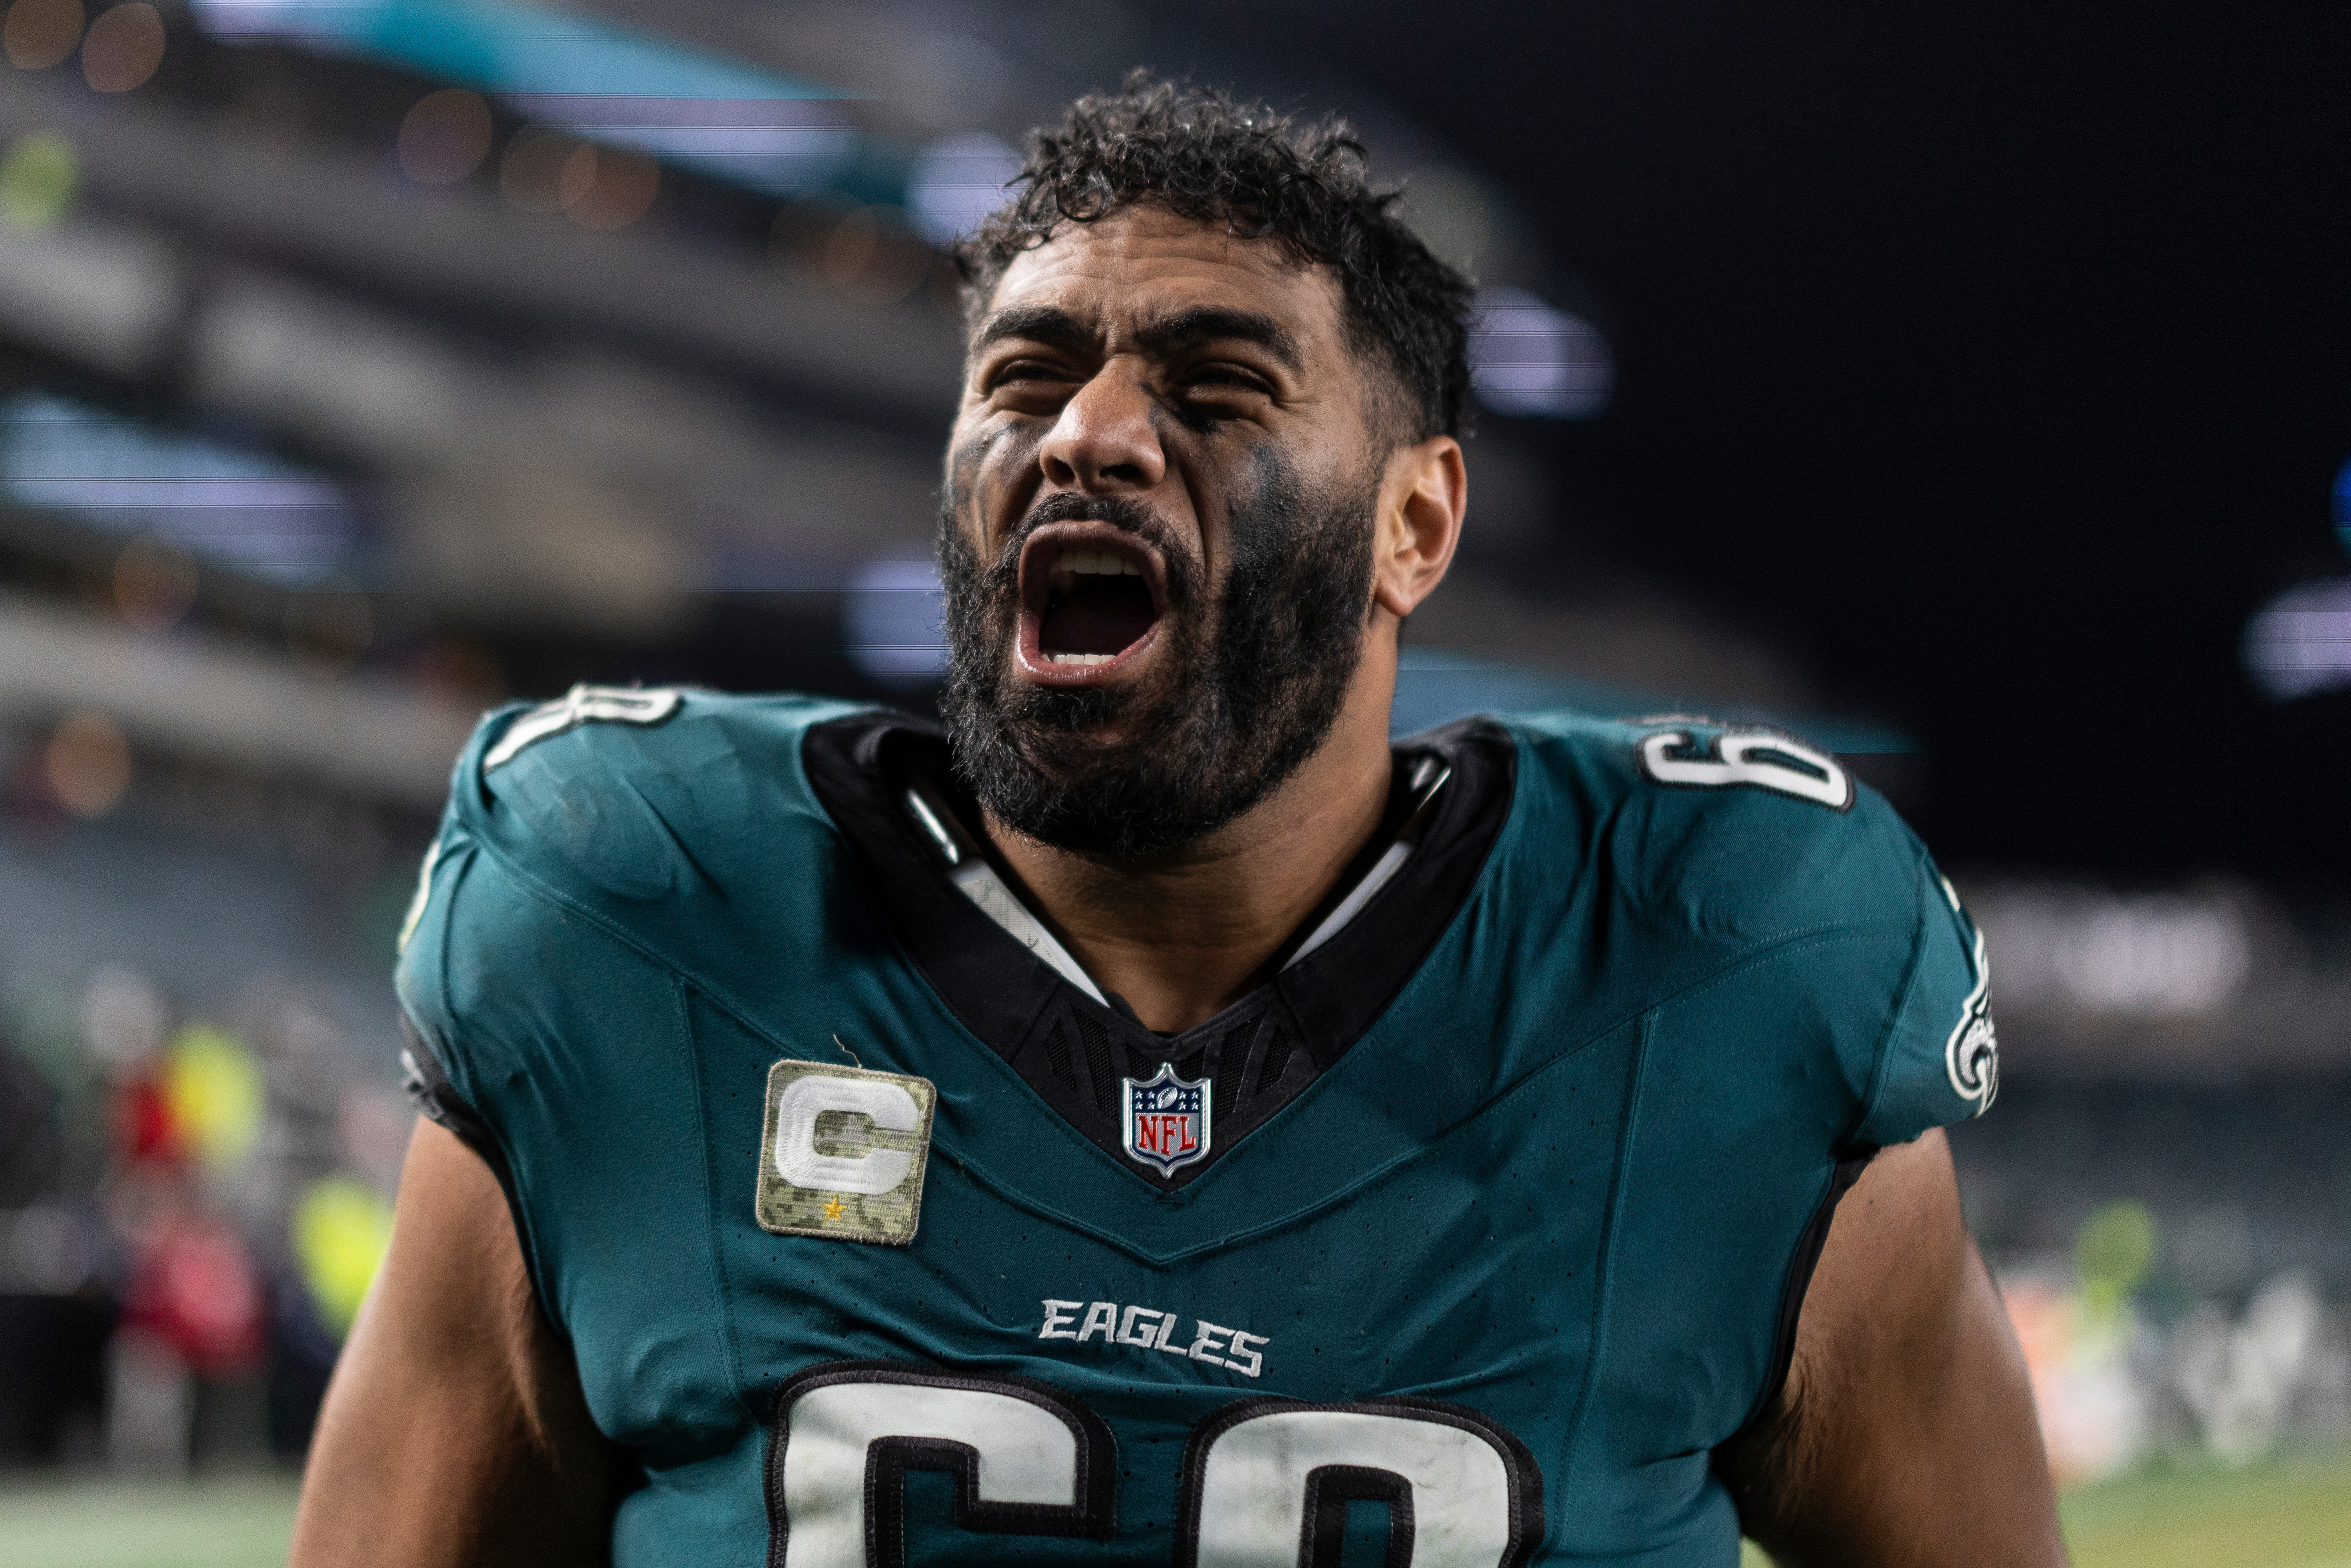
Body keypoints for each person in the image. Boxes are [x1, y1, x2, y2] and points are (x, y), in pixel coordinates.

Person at [292, 75, 2064, 1568]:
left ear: (1413, 526)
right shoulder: (636, 906)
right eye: (1022, 376)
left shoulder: (1717, 958)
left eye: (1215, 387)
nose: (1089, 435)